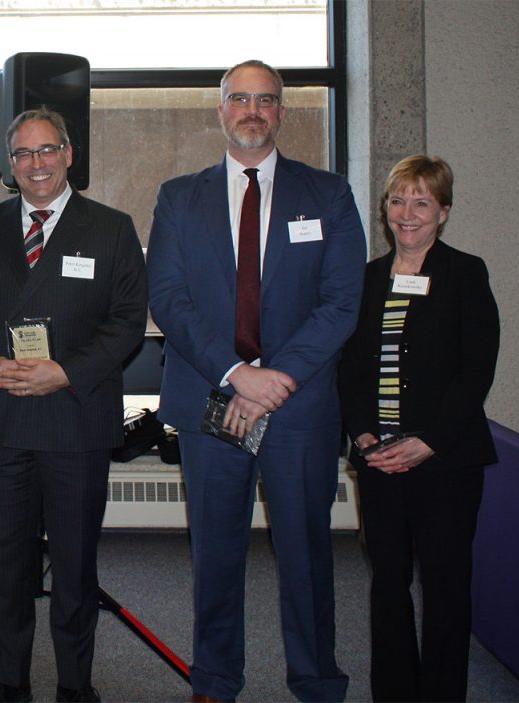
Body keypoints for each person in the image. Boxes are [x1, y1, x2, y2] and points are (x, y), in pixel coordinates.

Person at [147, 60, 365, 702]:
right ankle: (214, 679)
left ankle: (317, 680)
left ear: (282, 112)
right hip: (212, 400)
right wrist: (239, 375)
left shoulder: (328, 195)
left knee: (307, 557)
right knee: (215, 555)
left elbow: (340, 303)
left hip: (298, 409)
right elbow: (169, 298)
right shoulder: (178, 196)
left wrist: (277, 379)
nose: (252, 110)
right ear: (220, 110)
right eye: (239, 98)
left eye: (265, 100)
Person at [0, 108, 147, 703]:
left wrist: (65, 372)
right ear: (10, 166)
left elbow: (127, 323)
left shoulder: (111, 228)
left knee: (73, 567)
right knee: (4, 566)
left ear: (68, 154)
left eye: (46, 151)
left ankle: (74, 683)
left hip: (75, 421)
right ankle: (9, 680)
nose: (35, 164)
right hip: (2, 421)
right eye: (22, 154)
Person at [339, 155, 499, 702]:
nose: (408, 213)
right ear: (386, 209)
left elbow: (476, 370)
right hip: (380, 461)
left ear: (443, 212)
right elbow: (351, 368)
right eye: (398, 200)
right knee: (387, 585)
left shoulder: (465, 274)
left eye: (422, 202)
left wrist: (426, 441)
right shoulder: (367, 279)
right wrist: (363, 436)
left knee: (446, 587)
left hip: (445, 462)